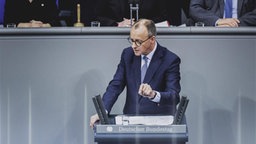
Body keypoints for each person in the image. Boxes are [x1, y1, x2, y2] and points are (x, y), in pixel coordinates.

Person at [90, 19, 181, 128]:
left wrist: (153, 95)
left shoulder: (170, 59)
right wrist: (102, 111)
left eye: (138, 42)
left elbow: (174, 97)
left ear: (152, 39)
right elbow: (116, 85)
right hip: (131, 122)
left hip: (160, 124)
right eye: (132, 40)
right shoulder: (127, 54)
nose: (133, 45)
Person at [94, 0, 168, 27]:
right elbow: (96, 17)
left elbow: (164, 17)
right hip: (115, 38)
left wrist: (145, 24)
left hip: (147, 38)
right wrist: (117, 24)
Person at [189, 0, 256, 26]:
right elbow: (194, 8)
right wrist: (217, 21)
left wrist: (235, 23)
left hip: (244, 33)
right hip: (212, 32)